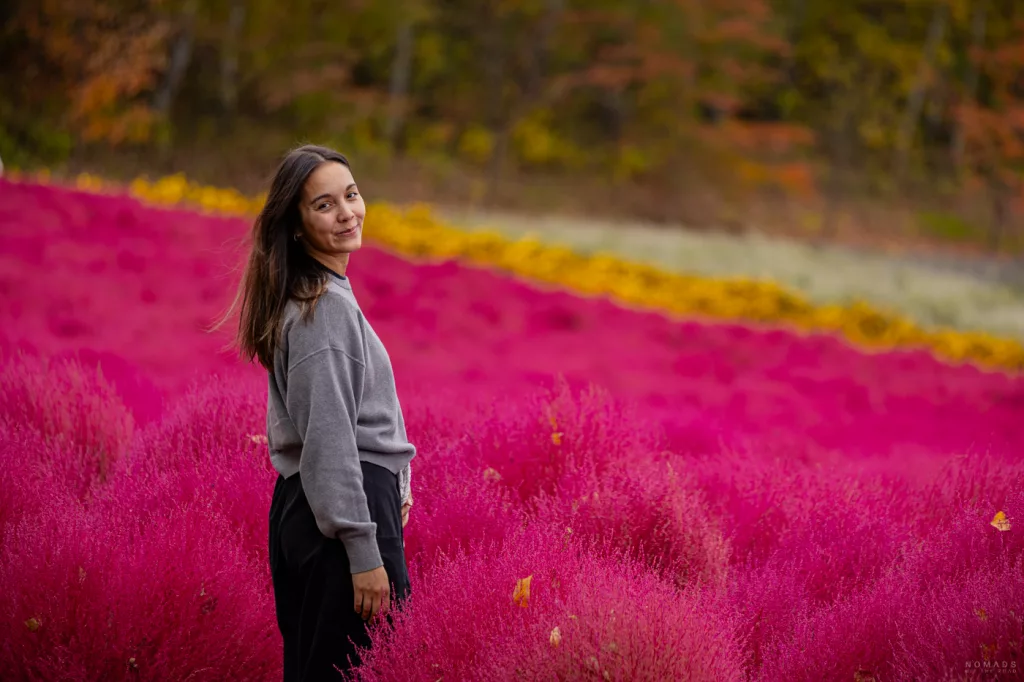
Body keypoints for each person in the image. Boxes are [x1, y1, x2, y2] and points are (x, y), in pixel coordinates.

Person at [224, 144, 415, 680]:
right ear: (298, 226)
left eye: (351, 196)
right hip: (337, 521)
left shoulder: (317, 296)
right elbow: (329, 441)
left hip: (328, 509)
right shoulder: (321, 310)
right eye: (325, 205)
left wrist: (397, 483)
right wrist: (364, 548)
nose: (347, 213)